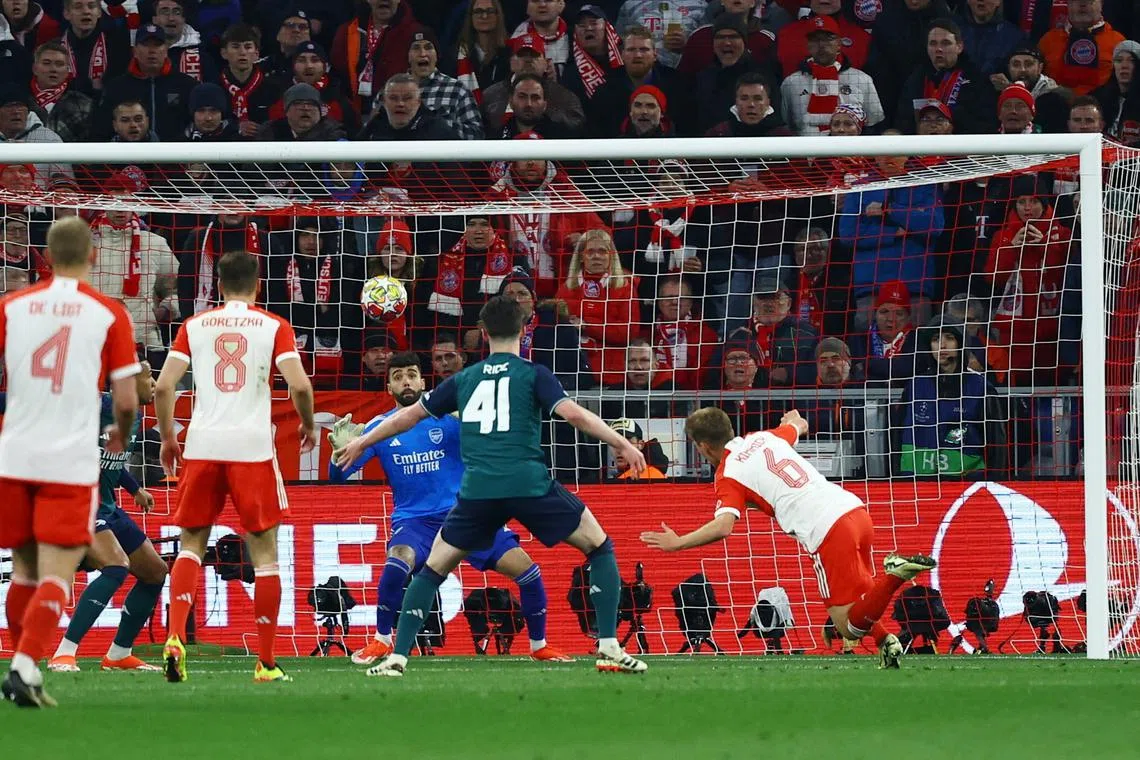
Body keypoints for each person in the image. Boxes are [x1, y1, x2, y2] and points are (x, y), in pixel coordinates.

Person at [333, 296, 649, 677]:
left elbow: (406, 418)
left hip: (479, 492)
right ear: (522, 329)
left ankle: (397, 658)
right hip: (528, 483)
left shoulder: (463, 379)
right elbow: (574, 415)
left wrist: (361, 441)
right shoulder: (534, 373)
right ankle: (610, 647)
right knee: (599, 546)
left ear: (483, 334)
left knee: (431, 570)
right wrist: (622, 443)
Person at [640, 407, 936, 669]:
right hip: (855, 511)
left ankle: (895, 575)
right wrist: (793, 419)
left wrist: (678, 542)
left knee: (847, 627)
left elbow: (723, 527)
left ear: (702, 447)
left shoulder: (728, 474)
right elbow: (799, 425)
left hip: (826, 530)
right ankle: (886, 642)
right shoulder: (762, 437)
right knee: (861, 597)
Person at [327, 352, 572, 665]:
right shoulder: (379, 428)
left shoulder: (452, 418)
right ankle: (381, 640)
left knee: (528, 571)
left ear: (423, 381)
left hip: (468, 515)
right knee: (396, 562)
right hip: (416, 522)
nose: (406, 381)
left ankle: (539, 646)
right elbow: (338, 476)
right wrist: (337, 453)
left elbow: (496, 438)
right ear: (388, 386)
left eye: (412, 374)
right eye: (398, 376)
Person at [154, 250, 316, 684]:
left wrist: (169, 437)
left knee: (191, 544)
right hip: (251, 449)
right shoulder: (272, 325)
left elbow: (165, 384)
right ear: (258, 284)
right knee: (263, 554)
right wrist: (308, 425)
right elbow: (299, 384)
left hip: (203, 444)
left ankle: (174, 637)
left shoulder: (194, 325)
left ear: (219, 285)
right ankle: (265, 662)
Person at [0, 216, 141, 707]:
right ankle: (24, 667)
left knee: (23, 571)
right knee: (59, 571)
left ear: (44, 255)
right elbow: (125, 398)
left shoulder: (11, 306)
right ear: (93, 256)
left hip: (14, 454)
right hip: (68, 458)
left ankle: (26, 668)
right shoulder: (108, 312)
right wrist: (119, 436)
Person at [47, 362, 168, 673]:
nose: (154, 383)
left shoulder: (136, 417)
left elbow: (112, 461)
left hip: (108, 507)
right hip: (78, 504)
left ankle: (118, 655)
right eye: (148, 376)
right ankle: (64, 652)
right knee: (116, 566)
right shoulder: (99, 406)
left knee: (155, 572)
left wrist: (136, 489)